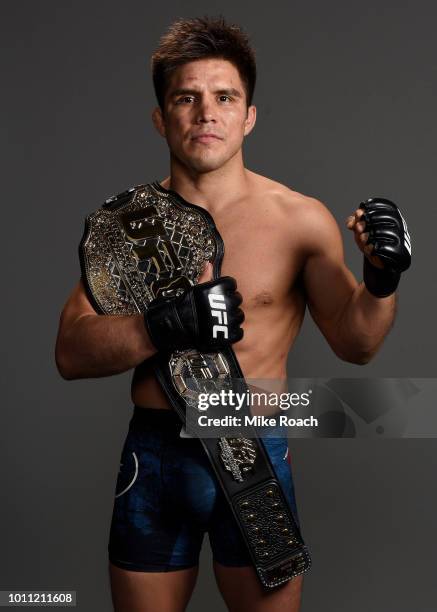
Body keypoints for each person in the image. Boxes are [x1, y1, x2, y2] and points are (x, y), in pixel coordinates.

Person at [55, 16, 411, 612]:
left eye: (225, 97)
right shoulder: (128, 229)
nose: (205, 113)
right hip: (157, 453)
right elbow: (70, 351)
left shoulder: (299, 220)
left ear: (248, 115)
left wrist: (381, 280)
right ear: (160, 117)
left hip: (252, 450)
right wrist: (159, 324)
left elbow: (358, 343)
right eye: (185, 98)